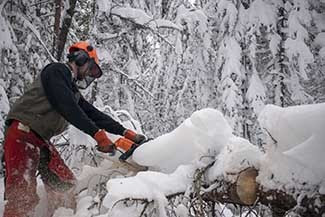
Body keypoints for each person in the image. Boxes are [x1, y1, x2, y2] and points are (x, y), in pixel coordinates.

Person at [2, 41, 145, 217]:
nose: (88, 74)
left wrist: (125, 132)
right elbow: (67, 106)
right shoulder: (56, 72)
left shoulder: (70, 89)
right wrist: (97, 135)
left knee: (65, 183)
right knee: (22, 196)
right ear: (80, 59)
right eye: (90, 69)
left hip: (39, 139)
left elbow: (93, 114)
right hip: (23, 133)